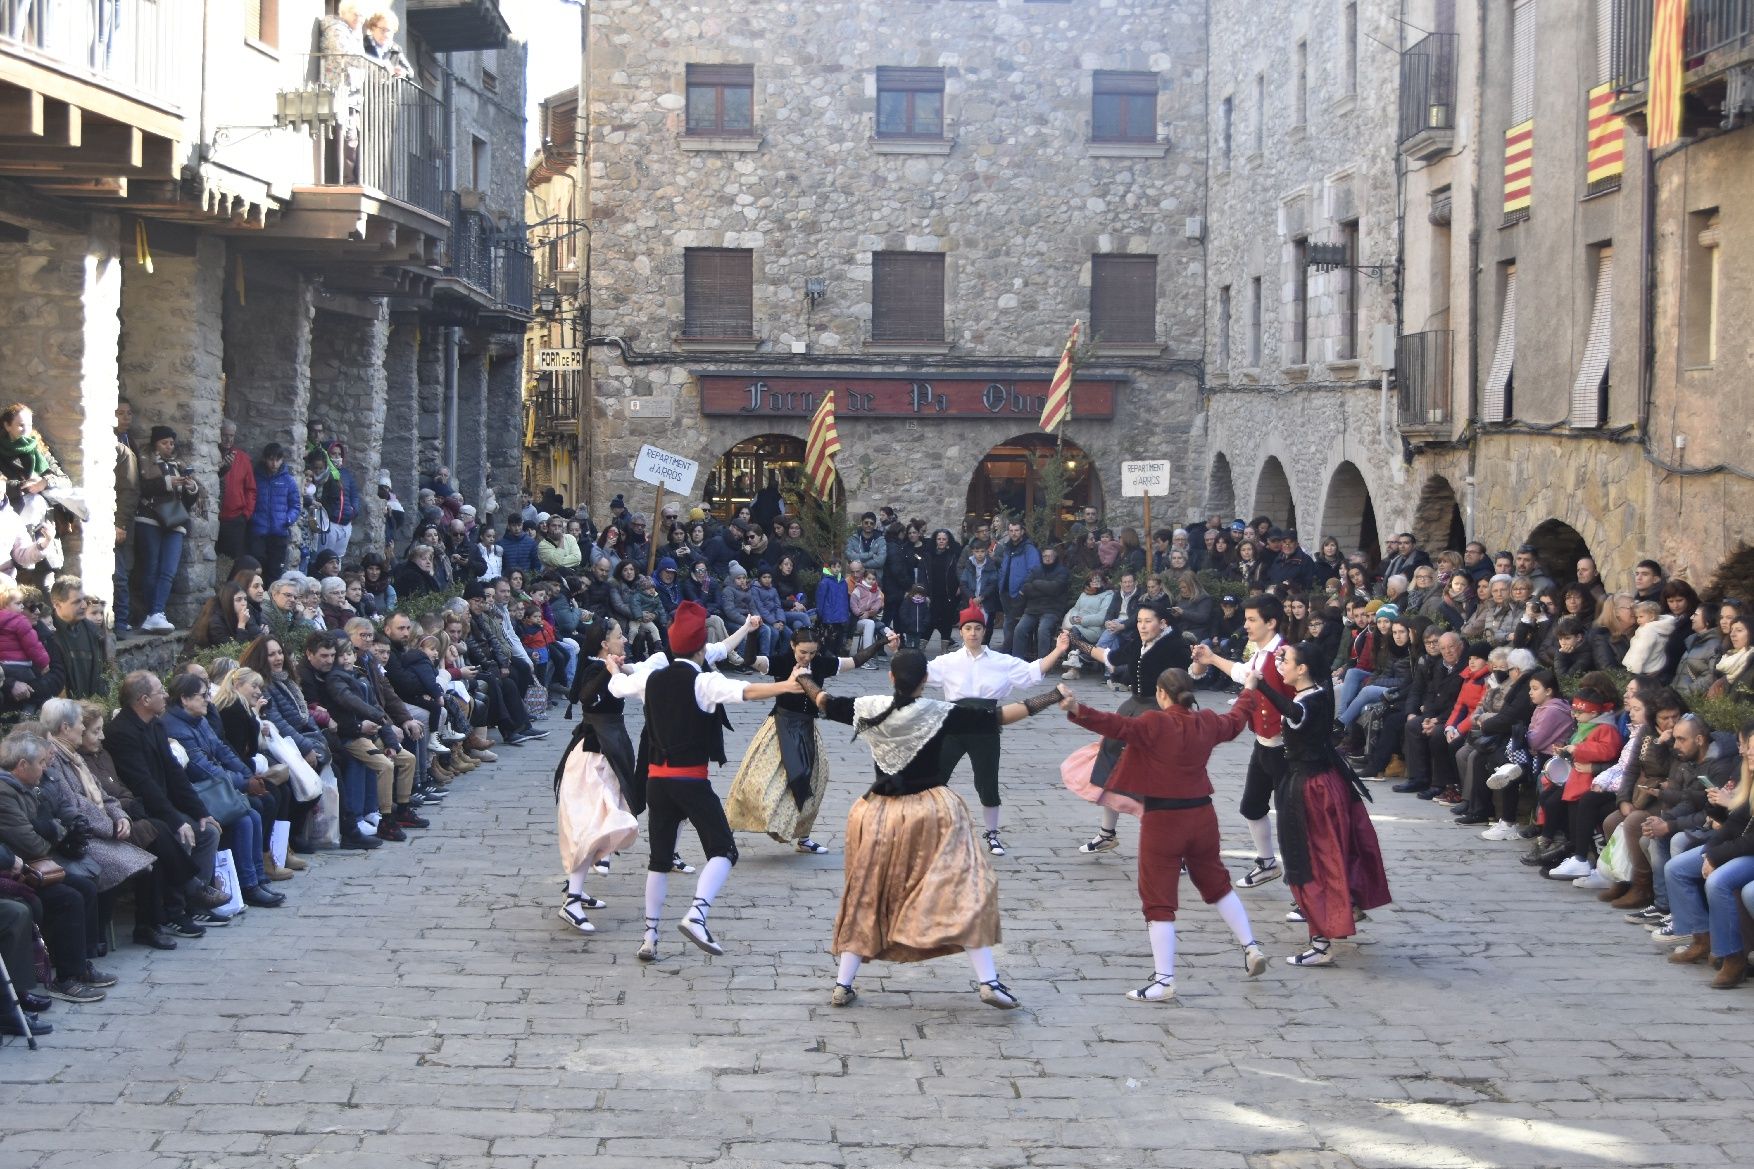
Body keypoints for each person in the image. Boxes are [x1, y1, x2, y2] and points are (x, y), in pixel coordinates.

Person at [796, 649, 1062, 1009]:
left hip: (878, 815)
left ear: (891, 677)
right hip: (933, 811)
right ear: (924, 681)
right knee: (965, 889)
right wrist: (1054, 696)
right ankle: (989, 981)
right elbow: (1002, 716)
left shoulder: (869, 706)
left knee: (867, 892)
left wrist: (803, 678)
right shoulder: (939, 711)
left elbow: (825, 701)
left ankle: (843, 984)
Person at [1059, 669, 1269, 1000]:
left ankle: (1164, 980)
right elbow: (1237, 718)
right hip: (1202, 815)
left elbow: (1114, 725)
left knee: (1158, 899)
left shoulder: (1154, 723)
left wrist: (1076, 709)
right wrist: (1249, 690)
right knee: (1217, 884)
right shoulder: (1208, 721)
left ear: (1161, 693)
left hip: (1162, 818)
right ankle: (1250, 945)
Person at [619, 603, 800, 962]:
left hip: (657, 781)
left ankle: (649, 937)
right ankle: (697, 914)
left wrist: (612, 666)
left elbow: (621, 684)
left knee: (658, 860)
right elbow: (744, 691)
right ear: (701, 648)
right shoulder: (702, 680)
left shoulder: (651, 678)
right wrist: (787, 686)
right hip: (690, 781)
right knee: (724, 850)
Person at [1245, 640, 1392, 964]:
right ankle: (1342, 908)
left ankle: (1321, 942)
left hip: (1311, 789)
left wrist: (1264, 687)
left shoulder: (1308, 701)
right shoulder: (1318, 693)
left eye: (1287, 661)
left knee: (1310, 860)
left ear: (1302, 669)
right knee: (1331, 853)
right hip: (1325, 783)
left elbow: (1296, 713)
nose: (1281, 664)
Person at [726, 624, 887, 855]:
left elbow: (855, 661)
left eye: (812, 652)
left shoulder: (821, 664)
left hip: (807, 728)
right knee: (755, 781)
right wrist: (752, 632)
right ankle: (727, 833)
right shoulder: (781, 661)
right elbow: (749, 659)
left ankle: (803, 837)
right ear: (793, 646)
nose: (807, 657)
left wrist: (879, 643)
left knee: (814, 782)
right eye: (803, 652)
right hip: (779, 727)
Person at [925, 604, 1071, 856]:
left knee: (987, 781)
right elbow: (916, 673)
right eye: (968, 628)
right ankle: (930, 830)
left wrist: (1058, 650)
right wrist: (896, 654)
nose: (972, 633)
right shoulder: (947, 661)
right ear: (961, 632)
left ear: (984, 631)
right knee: (935, 777)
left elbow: (1032, 672)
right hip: (953, 724)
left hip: (986, 725)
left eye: (977, 628)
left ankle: (992, 833)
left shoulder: (1000, 662)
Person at [551, 619, 664, 934]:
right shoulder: (594, 668)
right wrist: (608, 669)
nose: (624, 640)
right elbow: (587, 695)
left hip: (608, 755)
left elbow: (640, 678)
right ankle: (572, 900)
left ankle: (579, 886)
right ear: (604, 643)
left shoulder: (616, 667)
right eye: (618, 636)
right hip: (591, 759)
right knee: (595, 824)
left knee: (599, 822)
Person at [1187, 594, 1295, 889]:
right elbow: (1243, 672)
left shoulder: (1286, 655)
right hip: (1263, 745)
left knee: (1292, 821)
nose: (1245, 625)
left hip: (1287, 751)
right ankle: (1267, 863)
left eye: (1251, 620)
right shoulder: (1261, 653)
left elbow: (1301, 696)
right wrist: (1209, 658)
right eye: (1246, 619)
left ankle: (1303, 887)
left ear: (1271, 622)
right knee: (1252, 806)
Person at [134, 425, 201, 633]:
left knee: (169, 569)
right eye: (164, 443)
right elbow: (140, 487)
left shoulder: (179, 465)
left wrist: (191, 488)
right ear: (155, 443)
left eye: (171, 443)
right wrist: (167, 482)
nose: (169, 447)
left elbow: (186, 502)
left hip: (174, 522)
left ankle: (157, 612)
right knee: (151, 567)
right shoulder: (144, 462)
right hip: (150, 519)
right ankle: (151, 613)